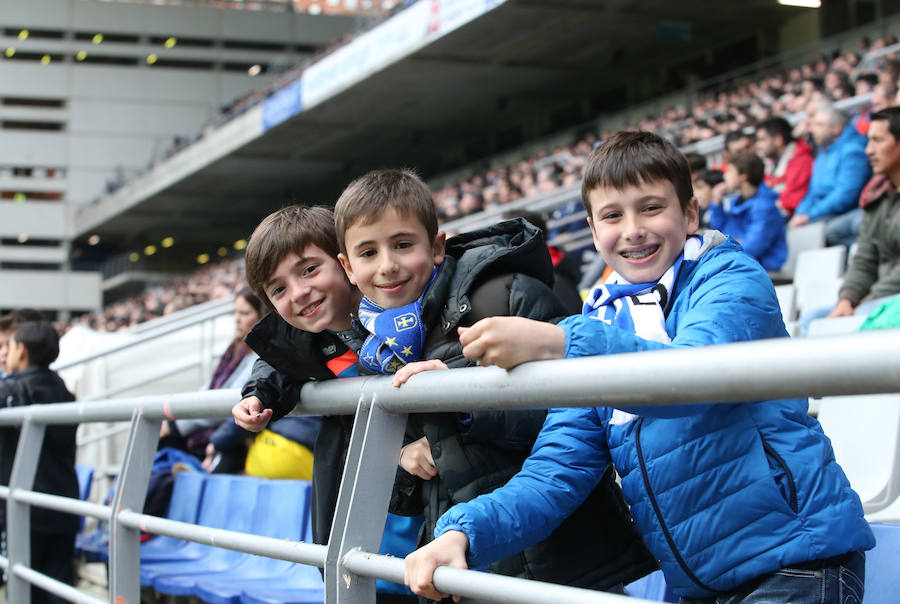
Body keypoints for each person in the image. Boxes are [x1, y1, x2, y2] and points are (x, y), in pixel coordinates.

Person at [403, 131, 874, 603]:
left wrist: (560, 342)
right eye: (612, 215)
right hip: (700, 587)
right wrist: (462, 533)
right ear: (593, 231)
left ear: (689, 214)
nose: (632, 230)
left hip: (796, 564)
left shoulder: (728, 278)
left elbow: (694, 378)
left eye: (651, 208)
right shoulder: (602, 319)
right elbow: (556, 470)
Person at [334, 169, 655, 593]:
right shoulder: (374, 348)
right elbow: (408, 493)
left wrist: (464, 396)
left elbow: (577, 410)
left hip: (563, 558)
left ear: (435, 247)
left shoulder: (503, 295)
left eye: (403, 244)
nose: (388, 265)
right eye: (368, 252)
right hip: (462, 562)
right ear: (348, 267)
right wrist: (401, 458)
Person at [231, 205, 420, 603]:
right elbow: (276, 360)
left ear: (345, 263)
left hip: (433, 534)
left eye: (309, 269)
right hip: (366, 540)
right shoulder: (308, 344)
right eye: (278, 289)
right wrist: (255, 395)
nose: (299, 293)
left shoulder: (407, 312)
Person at [0, 320, 79, 604]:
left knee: (23, 586)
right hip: (64, 503)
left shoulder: (11, 390)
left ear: (20, 350)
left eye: (7, 347)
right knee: (58, 587)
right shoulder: (63, 389)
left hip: (25, 506)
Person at [159, 286, 262, 464]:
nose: (237, 319)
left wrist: (175, 426)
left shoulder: (258, 354)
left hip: (229, 435)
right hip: (214, 428)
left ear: (262, 317)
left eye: (244, 313)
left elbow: (228, 400)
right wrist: (176, 416)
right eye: (235, 313)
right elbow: (209, 389)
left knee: (167, 442)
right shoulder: (235, 349)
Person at [827, 107, 900, 319]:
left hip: (886, 300)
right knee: (811, 320)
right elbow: (864, 258)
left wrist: (868, 302)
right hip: (875, 299)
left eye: (878, 140)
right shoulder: (875, 196)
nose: (869, 150)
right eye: (869, 141)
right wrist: (847, 299)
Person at [789, 105, 872, 247]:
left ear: (836, 128)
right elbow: (812, 192)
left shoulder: (853, 151)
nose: (812, 129)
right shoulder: (823, 151)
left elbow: (845, 195)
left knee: (826, 233)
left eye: (819, 125)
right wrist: (799, 214)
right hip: (823, 214)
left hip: (845, 213)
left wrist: (809, 216)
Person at [708, 151, 787, 271]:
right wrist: (716, 204)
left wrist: (727, 242)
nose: (724, 176)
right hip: (739, 265)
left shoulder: (764, 207)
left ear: (743, 176)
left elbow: (751, 248)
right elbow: (718, 233)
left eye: (729, 171)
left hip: (763, 270)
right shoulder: (738, 202)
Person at [502, 209, 584, 314]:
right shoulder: (532, 272)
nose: (499, 240)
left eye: (505, 234)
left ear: (527, 238)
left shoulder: (555, 280)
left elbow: (570, 324)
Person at [755, 116, 813, 216]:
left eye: (762, 140)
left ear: (778, 140)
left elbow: (792, 201)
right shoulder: (772, 164)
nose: (758, 145)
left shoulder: (801, 161)